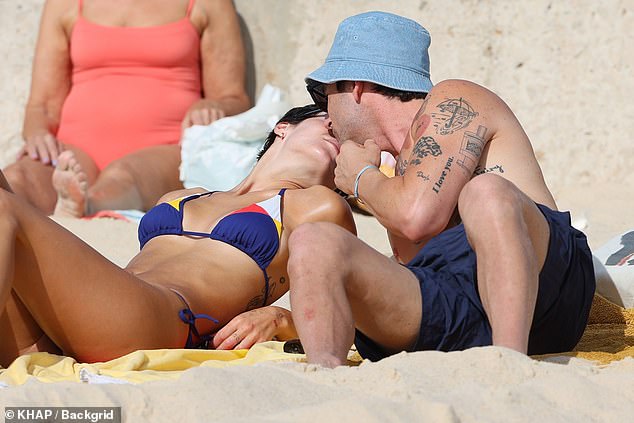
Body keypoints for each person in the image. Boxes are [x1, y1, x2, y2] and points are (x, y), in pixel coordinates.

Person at [288, 11, 595, 367]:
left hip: (544, 289)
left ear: (355, 87)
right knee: (312, 240)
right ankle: (328, 382)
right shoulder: (393, 177)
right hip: (450, 310)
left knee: (485, 193)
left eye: (322, 95)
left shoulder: (453, 101)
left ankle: (510, 367)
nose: (325, 116)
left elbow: (419, 216)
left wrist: (360, 177)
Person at [0, 105, 354, 367]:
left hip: (154, 323)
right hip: (76, 324)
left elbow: (356, 310)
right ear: (283, 127)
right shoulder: (184, 195)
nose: (340, 139)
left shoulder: (316, 207)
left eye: (349, 140)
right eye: (330, 125)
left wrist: (282, 318)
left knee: (4, 208)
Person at [3, 0, 250, 217]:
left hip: (164, 150)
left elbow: (234, 98)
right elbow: (41, 107)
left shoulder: (208, 3)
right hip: (75, 153)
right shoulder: (64, 3)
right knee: (16, 179)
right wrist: (38, 136)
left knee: (122, 176)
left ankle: (85, 207)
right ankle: (76, 204)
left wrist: (213, 106)